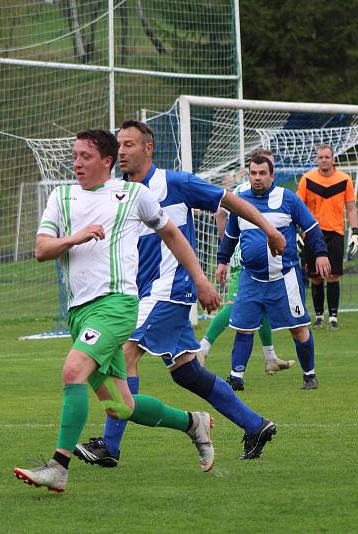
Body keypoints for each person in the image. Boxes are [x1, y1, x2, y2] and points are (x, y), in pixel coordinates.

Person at [13, 129, 222, 493]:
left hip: (116, 305)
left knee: (73, 370)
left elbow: (173, 235)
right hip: (79, 313)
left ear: (107, 162)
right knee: (120, 406)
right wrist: (74, 238)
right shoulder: (61, 196)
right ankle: (193, 423)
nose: (77, 162)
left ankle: (58, 467)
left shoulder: (133, 195)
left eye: (86, 156)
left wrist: (201, 280)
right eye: (75, 156)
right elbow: (42, 249)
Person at [74, 121, 283, 469]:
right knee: (186, 372)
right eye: (119, 146)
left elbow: (229, 200)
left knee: (124, 351)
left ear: (148, 149)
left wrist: (269, 228)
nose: (122, 152)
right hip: (141, 294)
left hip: (170, 290)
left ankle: (109, 446)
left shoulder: (175, 183)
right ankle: (255, 424)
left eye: (129, 145)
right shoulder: (116, 193)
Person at [217, 154, 330, 390]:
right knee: (244, 327)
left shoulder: (288, 199)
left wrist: (320, 254)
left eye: (262, 173)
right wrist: (222, 261)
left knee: (298, 329)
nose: (257, 178)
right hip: (251, 278)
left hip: (284, 278)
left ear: (272, 176)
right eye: (253, 173)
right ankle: (236, 379)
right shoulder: (241, 201)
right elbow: (230, 236)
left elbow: (312, 228)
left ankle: (310, 375)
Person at [199, 149, 295, 384]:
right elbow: (220, 212)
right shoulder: (242, 191)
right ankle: (201, 349)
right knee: (235, 306)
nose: (264, 174)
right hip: (244, 259)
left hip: (263, 261)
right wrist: (226, 245)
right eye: (259, 169)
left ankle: (270, 357)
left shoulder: (274, 194)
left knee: (259, 309)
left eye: (268, 168)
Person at [296, 145, 358, 331]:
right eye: (320, 157)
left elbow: (351, 208)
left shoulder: (344, 180)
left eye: (327, 157)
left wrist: (354, 233)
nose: (324, 160)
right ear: (317, 159)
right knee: (315, 277)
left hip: (335, 233)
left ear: (333, 159)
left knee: (333, 276)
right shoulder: (307, 179)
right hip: (312, 233)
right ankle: (318, 316)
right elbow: (298, 207)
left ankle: (333, 316)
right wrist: (299, 232)